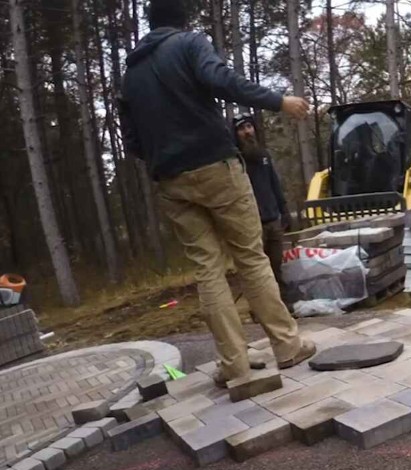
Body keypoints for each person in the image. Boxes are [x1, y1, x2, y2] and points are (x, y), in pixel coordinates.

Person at [119, 0, 315, 387]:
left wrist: (165, 158)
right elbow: (222, 80)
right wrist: (278, 101)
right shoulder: (190, 44)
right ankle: (287, 346)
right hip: (215, 166)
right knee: (250, 258)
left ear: (150, 23)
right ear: (182, 19)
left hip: (171, 181)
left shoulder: (131, 76)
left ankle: (234, 365)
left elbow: (133, 142)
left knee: (207, 269)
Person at [233, 115, 290, 296]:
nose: (247, 132)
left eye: (249, 127)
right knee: (257, 271)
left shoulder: (263, 155)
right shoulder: (236, 161)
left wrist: (284, 211)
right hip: (251, 224)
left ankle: (283, 304)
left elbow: (274, 184)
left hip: (273, 219)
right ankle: (261, 307)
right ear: (236, 134)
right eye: (242, 129)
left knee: (277, 266)